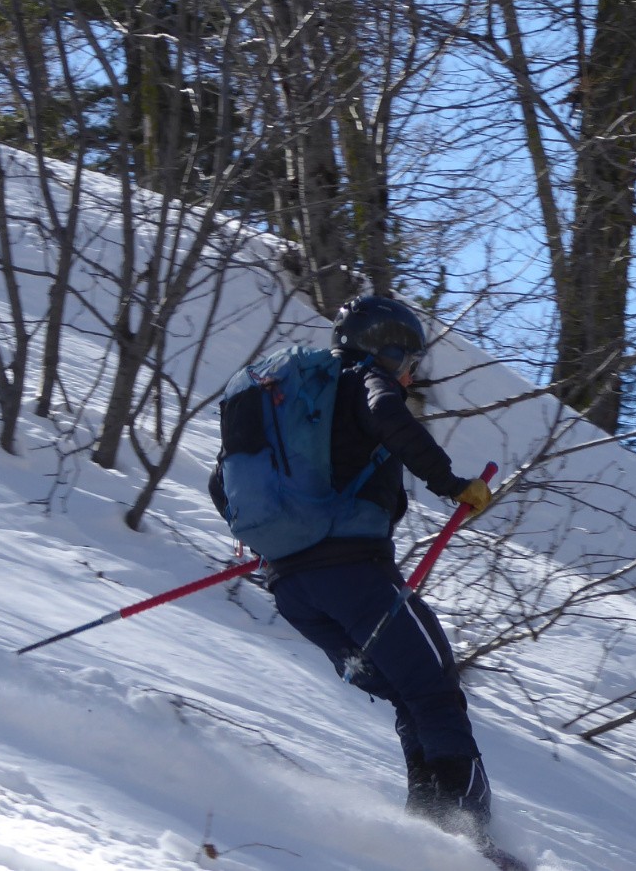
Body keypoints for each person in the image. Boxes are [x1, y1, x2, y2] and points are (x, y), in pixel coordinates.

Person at [210, 294, 509, 855]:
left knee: (406, 692)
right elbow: (390, 419)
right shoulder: (366, 382)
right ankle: (472, 842)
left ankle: (428, 834)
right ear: (387, 348)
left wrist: (283, 540)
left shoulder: (291, 401)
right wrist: (452, 484)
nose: (411, 372)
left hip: (294, 590)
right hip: (356, 578)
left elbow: (218, 484)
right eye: (409, 359)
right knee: (435, 688)